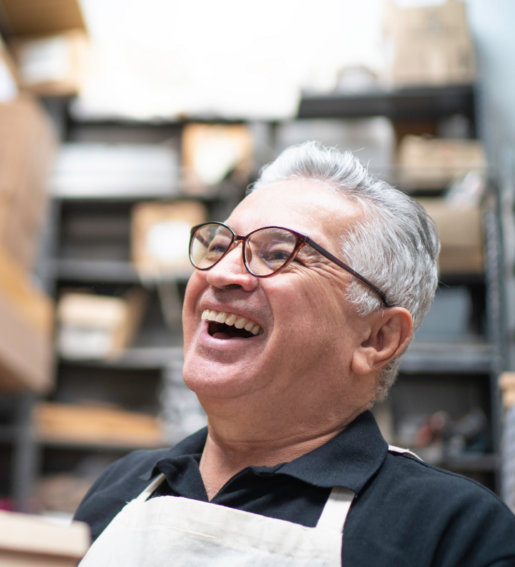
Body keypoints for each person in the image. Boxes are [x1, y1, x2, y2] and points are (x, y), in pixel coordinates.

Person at [74, 142, 515, 566]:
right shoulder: (124, 486)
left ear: (376, 338)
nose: (222, 272)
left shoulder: (453, 533)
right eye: (217, 246)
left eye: (278, 253)